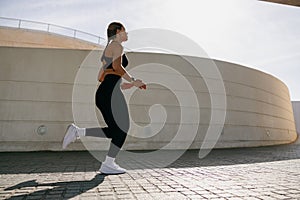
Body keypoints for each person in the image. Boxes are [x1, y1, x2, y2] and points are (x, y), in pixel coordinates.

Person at [62, 22, 146, 174]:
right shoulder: (117, 45)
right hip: (109, 93)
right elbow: (118, 68)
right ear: (119, 31)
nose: (127, 33)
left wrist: (125, 84)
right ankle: (108, 163)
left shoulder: (110, 48)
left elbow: (102, 76)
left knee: (117, 130)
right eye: (125, 30)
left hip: (107, 92)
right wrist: (133, 80)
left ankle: (79, 133)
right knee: (122, 129)